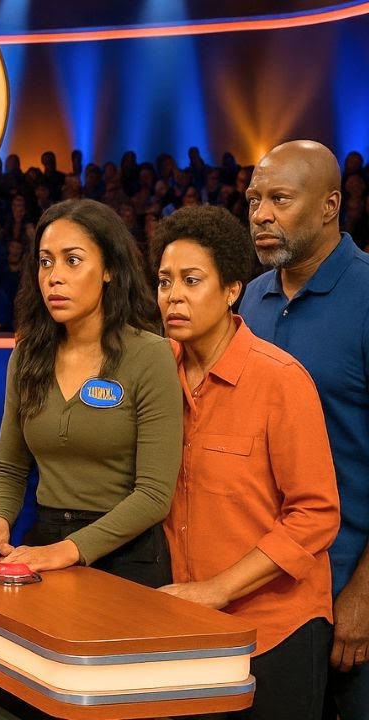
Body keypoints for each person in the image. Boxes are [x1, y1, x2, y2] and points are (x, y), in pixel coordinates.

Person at [153, 205, 339, 720]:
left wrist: (216, 590)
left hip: (276, 628)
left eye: (192, 280)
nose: (174, 296)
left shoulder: (280, 380)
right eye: (165, 281)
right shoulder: (156, 375)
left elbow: (316, 514)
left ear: (233, 290)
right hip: (186, 623)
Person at [0, 199, 182, 587]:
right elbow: (9, 466)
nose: (54, 277)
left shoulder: (150, 355)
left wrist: (70, 549)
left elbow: (153, 495)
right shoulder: (27, 356)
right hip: (44, 540)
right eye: (45, 262)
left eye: (72, 260)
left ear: (109, 269)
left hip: (127, 554)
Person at [237, 140, 369, 719]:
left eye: (280, 199)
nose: (261, 214)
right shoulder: (250, 300)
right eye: (254, 200)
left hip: (348, 586)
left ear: (329, 206)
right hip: (270, 592)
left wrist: (364, 595)